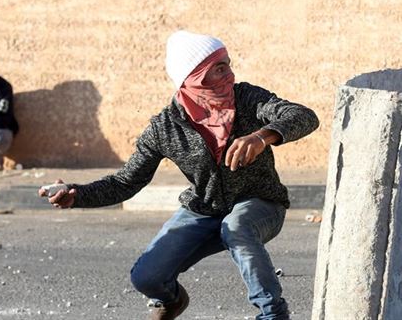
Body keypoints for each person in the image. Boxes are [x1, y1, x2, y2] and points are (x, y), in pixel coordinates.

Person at [39, 30, 319, 320]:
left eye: (229, 65)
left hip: (261, 204)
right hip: (204, 210)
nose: (230, 75)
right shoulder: (164, 128)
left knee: (236, 227)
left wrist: (263, 136)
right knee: (147, 278)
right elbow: (126, 182)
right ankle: (171, 301)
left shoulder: (248, 98)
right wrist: (77, 194)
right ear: (192, 78)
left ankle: (273, 314)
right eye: (218, 69)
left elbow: (304, 116)